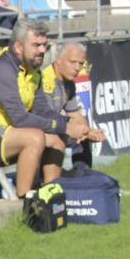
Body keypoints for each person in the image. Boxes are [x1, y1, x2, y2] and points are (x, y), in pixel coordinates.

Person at [0, 18, 86, 195]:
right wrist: (65, 126)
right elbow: (20, 118)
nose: (43, 50)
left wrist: (76, 126)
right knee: (34, 137)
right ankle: (23, 204)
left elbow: (42, 111)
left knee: (57, 137)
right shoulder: (2, 68)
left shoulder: (32, 69)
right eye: (36, 45)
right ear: (18, 47)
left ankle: (51, 196)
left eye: (44, 45)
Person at [34, 42, 106, 173]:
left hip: (53, 125)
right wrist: (83, 131)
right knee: (69, 134)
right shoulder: (44, 79)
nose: (77, 68)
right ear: (59, 59)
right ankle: (47, 182)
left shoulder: (69, 82)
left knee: (82, 138)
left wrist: (88, 131)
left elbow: (75, 114)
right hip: (37, 128)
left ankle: (83, 176)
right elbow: (47, 117)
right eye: (72, 62)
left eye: (80, 63)